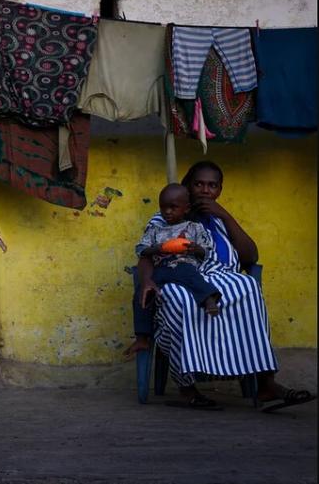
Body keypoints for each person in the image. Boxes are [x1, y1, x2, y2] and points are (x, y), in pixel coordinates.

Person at [124, 161, 314, 411]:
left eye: (212, 186)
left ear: (219, 190)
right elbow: (146, 255)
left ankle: (266, 383)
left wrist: (224, 214)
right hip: (179, 276)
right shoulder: (166, 216)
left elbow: (250, 257)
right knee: (179, 298)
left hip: (221, 276)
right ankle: (187, 388)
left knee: (247, 287)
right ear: (187, 186)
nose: (205, 190)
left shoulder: (219, 219)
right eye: (199, 184)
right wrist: (147, 279)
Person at [135, 183, 221, 316]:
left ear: (186, 209)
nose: (167, 211)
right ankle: (142, 333)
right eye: (163, 207)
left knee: (193, 277)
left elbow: (207, 251)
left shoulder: (194, 228)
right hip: (160, 268)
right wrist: (155, 249)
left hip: (184, 266)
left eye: (173, 207)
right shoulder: (155, 229)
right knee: (143, 291)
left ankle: (209, 300)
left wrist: (196, 249)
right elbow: (140, 249)